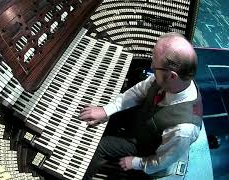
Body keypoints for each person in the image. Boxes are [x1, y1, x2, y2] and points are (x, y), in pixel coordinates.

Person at [79, 32, 203, 179]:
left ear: (172, 76)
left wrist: (137, 162)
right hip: (142, 122)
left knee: (100, 147)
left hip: (143, 146)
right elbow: (139, 91)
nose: (151, 66)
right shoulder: (171, 81)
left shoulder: (184, 130)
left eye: (155, 65)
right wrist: (106, 110)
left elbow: (162, 160)